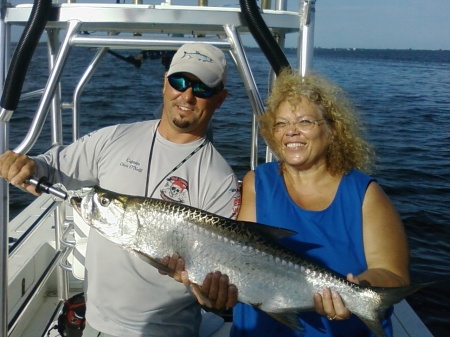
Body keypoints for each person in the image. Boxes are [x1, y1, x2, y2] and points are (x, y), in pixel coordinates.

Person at [0, 43, 241, 337]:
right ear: (165, 83)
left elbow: (211, 290)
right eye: (180, 82)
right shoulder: (114, 138)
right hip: (95, 324)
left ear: (220, 99)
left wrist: (211, 295)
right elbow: (49, 166)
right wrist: (25, 166)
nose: (187, 95)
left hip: (167, 331)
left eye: (202, 89)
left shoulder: (220, 180)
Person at [230, 68, 410, 337]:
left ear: (332, 130)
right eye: (280, 124)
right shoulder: (257, 183)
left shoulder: (363, 193)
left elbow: (393, 274)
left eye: (304, 122)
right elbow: (238, 257)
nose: (291, 132)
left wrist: (358, 288)